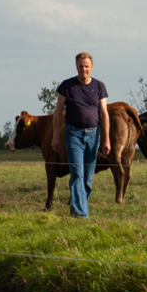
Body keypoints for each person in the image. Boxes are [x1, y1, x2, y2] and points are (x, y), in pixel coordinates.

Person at [51, 52, 110, 218]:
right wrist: (55, 136)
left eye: (86, 66)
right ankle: (81, 214)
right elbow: (58, 112)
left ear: (91, 67)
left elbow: (104, 114)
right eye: (80, 66)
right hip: (73, 134)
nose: (83, 69)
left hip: (93, 134)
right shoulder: (67, 86)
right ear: (76, 67)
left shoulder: (99, 87)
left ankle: (79, 207)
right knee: (77, 173)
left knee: (87, 177)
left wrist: (106, 139)